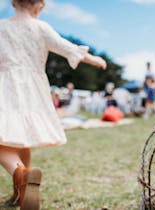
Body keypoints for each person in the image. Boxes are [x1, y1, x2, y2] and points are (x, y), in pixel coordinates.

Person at [0, 0, 106, 209]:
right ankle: (21, 190)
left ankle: (20, 175)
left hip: (6, 85)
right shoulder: (41, 27)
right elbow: (68, 48)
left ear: (13, 3)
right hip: (34, 89)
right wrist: (95, 59)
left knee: (3, 140)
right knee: (23, 138)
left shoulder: (1, 27)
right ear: (39, 6)